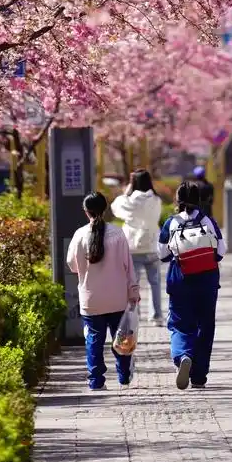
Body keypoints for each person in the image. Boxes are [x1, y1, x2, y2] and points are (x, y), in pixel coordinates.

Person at [67, 191, 139, 392]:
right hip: (117, 297)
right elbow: (128, 265)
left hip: (91, 299)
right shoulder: (117, 233)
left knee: (94, 339)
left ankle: (96, 381)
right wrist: (133, 289)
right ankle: (124, 375)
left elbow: (71, 264)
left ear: (85, 211)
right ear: (104, 209)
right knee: (121, 337)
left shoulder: (80, 234)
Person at [158, 181, 226, 391]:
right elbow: (221, 251)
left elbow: (162, 254)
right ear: (199, 200)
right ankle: (199, 376)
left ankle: (183, 355)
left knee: (180, 324)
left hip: (181, 281)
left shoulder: (171, 223)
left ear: (177, 201)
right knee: (205, 327)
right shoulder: (208, 221)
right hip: (207, 282)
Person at [110, 168, 163, 324]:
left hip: (133, 247)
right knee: (155, 283)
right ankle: (157, 316)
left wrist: (127, 191)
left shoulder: (130, 201)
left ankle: (135, 314)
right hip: (153, 245)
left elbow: (115, 207)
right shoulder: (156, 200)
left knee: (133, 284)